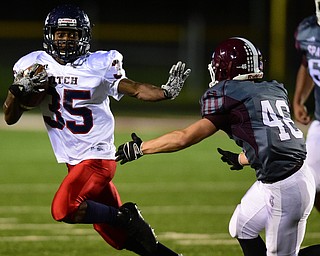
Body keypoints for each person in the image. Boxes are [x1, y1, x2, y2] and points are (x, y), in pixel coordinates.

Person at [3, 4, 190, 256]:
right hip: (74, 161)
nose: (66, 40)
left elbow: (134, 88)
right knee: (116, 237)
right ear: (50, 35)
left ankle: (127, 216)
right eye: (61, 34)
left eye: (73, 34)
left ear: (84, 36)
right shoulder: (35, 64)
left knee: (64, 209)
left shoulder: (99, 63)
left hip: (97, 158)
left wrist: (165, 92)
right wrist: (16, 91)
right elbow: (10, 117)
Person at [115, 37, 316, 256]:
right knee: (242, 226)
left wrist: (141, 147)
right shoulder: (272, 90)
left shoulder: (230, 97)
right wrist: (240, 158)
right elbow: (274, 143)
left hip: (285, 186)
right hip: (288, 175)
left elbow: (184, 137)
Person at [293, 0, 320, 212]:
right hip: (319, 119)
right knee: (311, 184)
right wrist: (299, 99)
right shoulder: (309, 30)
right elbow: (308, 61)